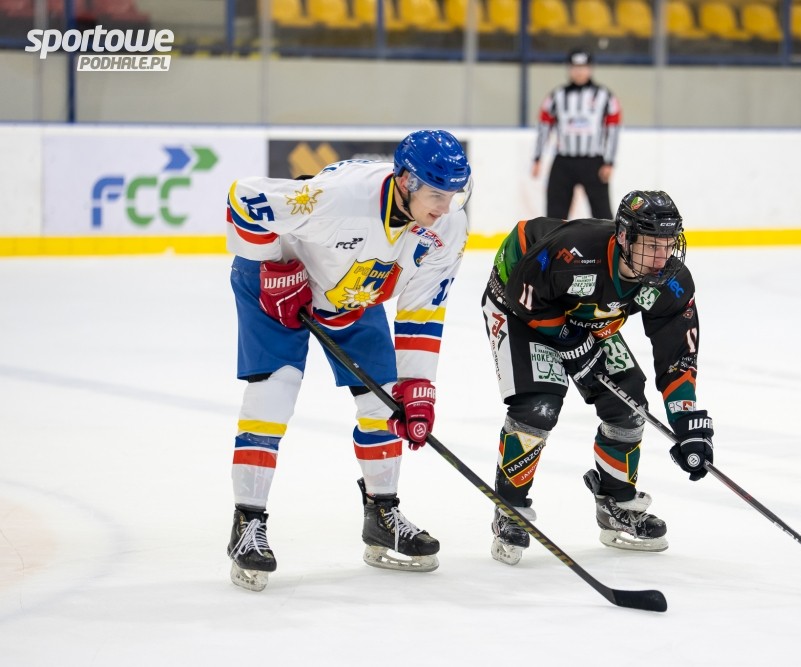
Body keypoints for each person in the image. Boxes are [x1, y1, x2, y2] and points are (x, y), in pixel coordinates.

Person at [224, 129, 472, 590]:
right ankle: (247, 522)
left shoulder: (448, 227)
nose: (446, 207)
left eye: (454, 195)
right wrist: (275, 265)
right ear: (406, 181)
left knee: (386, 403)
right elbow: (245, 200)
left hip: (354, 290)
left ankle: (382, 515)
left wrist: (416, 388)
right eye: (437, 195)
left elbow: (422, 310)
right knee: (273, 395)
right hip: (277, 285)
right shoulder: (341, 198)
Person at [480, 190, 714, 565]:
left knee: (628, 403)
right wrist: (571, 341)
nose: (661, 257)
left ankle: (615, 503)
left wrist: (686, 419)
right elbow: (525, 295)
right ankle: (509, 509)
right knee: (539, 403)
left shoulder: (670, 283)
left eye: (668, 245)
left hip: (585, 314)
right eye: (651, 245)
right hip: (520, 300)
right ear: (623, 237)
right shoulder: (574, 253)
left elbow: (677, 357)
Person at [531, 48, 622, 221]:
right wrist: (537, 158)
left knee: (603, 215)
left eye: (583, 67)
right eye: (575, 67)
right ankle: (555, 240)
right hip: (564, 161)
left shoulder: (605, 96)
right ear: (569, 69)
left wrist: (609, 162)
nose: (579, 71)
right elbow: (544, 127)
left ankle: (609, 240)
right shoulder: (556, 96)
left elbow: (613, 130)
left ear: (590, 68)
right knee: (554, 216)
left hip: (593, 162)